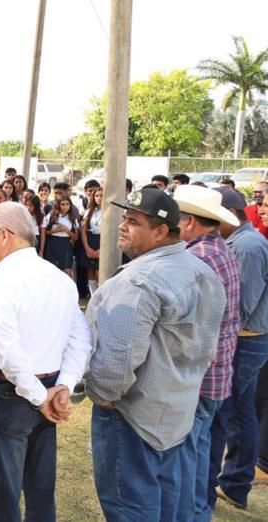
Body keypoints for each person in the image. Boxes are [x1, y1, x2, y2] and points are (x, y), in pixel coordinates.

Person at [85, 187, 226, 520]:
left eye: (134, 222)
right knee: (168, 506)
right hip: (176, 412)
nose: (122, 226)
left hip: (134, 417)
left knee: (133, 508)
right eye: (124, 218)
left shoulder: (139, 281)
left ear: (161, 231)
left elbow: (117, 361)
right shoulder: (203, 272)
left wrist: (103, 396)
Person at [0, 202, 91, 521]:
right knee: (40, 490)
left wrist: (46, 395)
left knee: (1, 494)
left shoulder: (5, 280)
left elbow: (8, 351)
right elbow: (80, 338)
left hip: (10, 393)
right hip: (43, 389)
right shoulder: (59, 279)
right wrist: (62, 386)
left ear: (4, 234)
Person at [168, 185, 242, 521]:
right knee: (199, 450)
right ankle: (198, 510)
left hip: (199, 376)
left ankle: (194, 513)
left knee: (189, 456)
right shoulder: (220, 250)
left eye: (176, 219)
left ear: (190, 222)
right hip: (216, 373)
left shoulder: (197, 259)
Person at [208, 187, 268, 512]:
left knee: (232, 414)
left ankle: (234, 482)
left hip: (246, 339)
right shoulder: (242, 241)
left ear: (231, 214)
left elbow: (242, 305)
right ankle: (235, 484)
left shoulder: (246, 246)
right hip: (247, 338)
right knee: (240, 412)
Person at [40, 196, 78, 277]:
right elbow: (44, 232)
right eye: (62, 204)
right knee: (52, 272)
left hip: (66, 245)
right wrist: (56, 231)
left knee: (67, 272)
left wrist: (66, 230)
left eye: (67, 204)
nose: (65, 206)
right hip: (52, 244)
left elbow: (76, 237)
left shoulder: (73, 217)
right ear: (58, 205)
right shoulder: (51, 215)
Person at [79, 189, 103, 295]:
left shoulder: (110, 211)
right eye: (97, 196)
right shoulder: (89, 211)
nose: (99, 198)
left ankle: (101, 296)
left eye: (101, 195)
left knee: (99, 271)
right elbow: (83, 230)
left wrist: (102, 249)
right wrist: (87, 248)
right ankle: (93, 296)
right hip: (90, 240)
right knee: (91, 270)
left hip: (103, 241)